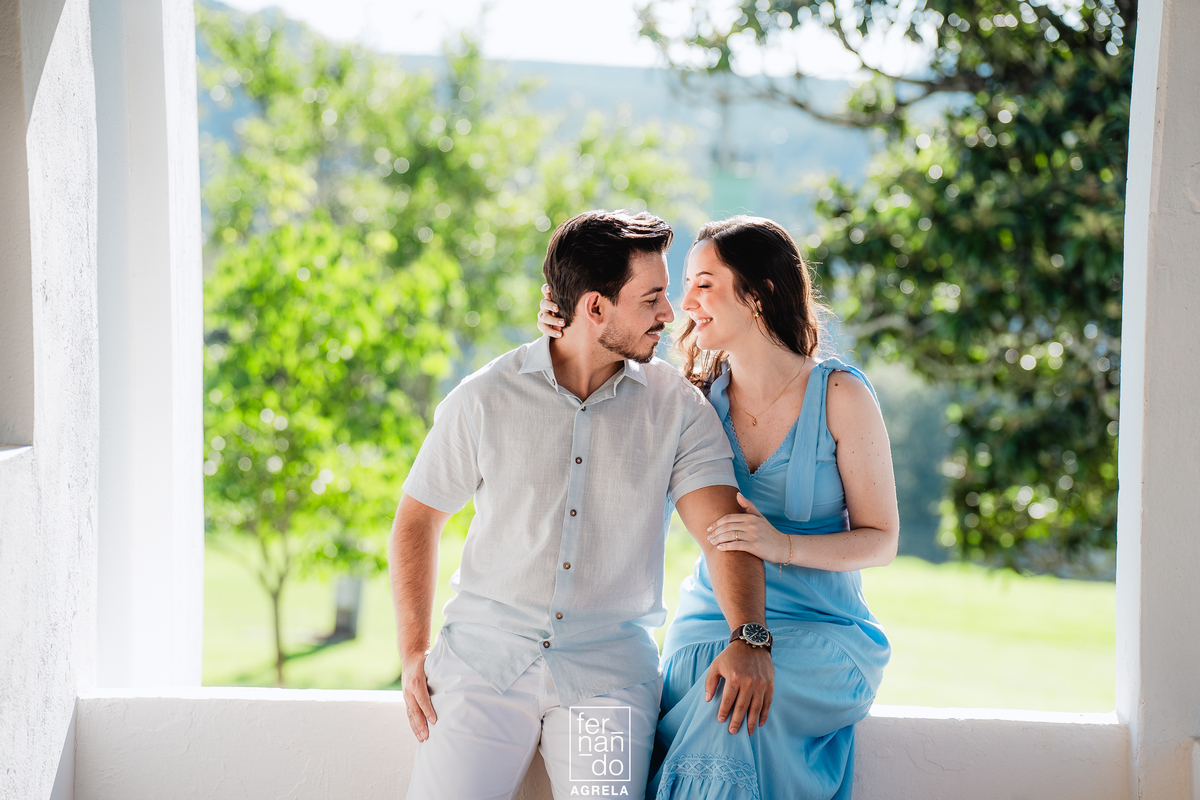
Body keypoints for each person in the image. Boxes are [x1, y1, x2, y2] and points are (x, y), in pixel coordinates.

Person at [391, 209, 774, 800]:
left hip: (607, 680)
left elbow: (722, 527)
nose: (669, 314)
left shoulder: (676, 407)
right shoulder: (486, 397)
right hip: (481, 664)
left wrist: (749, 636)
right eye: (651, 300)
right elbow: (419, 518)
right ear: (595, 308)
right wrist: (414, 650)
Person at [537, 215, 898, 799]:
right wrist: (566, 326)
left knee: (729, 716)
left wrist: (780, 546)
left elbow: (881, 539)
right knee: (720, 702)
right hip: (709, 624)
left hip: (823, 632)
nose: (683, 305)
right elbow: (597, 365)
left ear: (759, 294)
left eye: (703, 284)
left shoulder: (840, 395)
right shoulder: (693, 400)